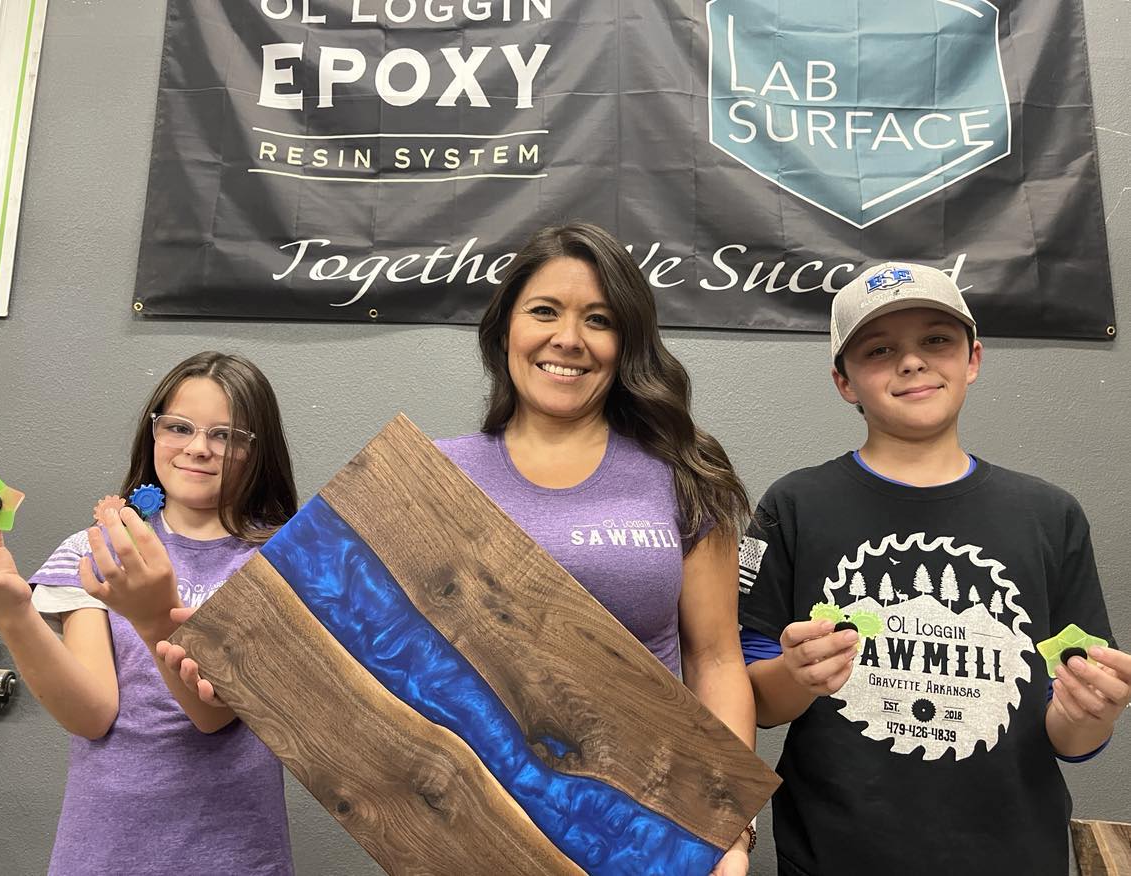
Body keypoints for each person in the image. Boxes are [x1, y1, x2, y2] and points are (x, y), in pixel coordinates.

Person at [738, 262, 1131, 876]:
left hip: (1014, 853)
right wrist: (795, 673)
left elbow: (1074, 737)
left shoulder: (1050, 515)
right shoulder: (793, 506)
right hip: (834, 853)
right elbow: (754, 701)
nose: (913, 362)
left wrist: (1094, 712)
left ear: (973, 359)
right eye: (879, 349)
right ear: (843, 381)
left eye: (936, 341)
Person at [438, 221, 758, 873]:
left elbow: (718, 660)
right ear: (505, 331)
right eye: (544, 311)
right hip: (484, 831)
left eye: (599, 319)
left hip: (649, 830)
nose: (568, 339)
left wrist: (730, 828)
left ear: (627, 342)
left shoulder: (687, 472)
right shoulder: (436, 477)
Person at [0, 351, 298, 875]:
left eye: (227, 435)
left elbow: (213, 715)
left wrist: (153, 613)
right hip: (102, 851)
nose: (198, 449)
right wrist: (11, 607)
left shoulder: (284, 563)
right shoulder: (94, 549)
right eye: (179, 427)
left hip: (233, 855)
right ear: (154, 431)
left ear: (261, 450)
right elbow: (92, 715)